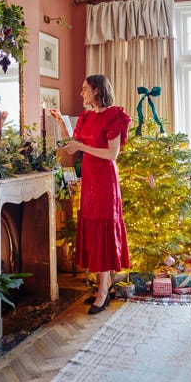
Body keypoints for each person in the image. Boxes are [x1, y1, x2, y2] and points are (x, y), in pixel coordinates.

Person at [50, 74, 131, 315]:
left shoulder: (114, 115)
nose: (81, 92)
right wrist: (60, 123)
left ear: (97, 90)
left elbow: (111, 154)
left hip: (105, 179)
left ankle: (103, 291)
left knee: (103, 228)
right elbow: (74, 143)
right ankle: (102, 285)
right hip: (90, 179)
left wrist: (82, 147)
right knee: (93, 228)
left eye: (85, 88)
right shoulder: (86, 116)